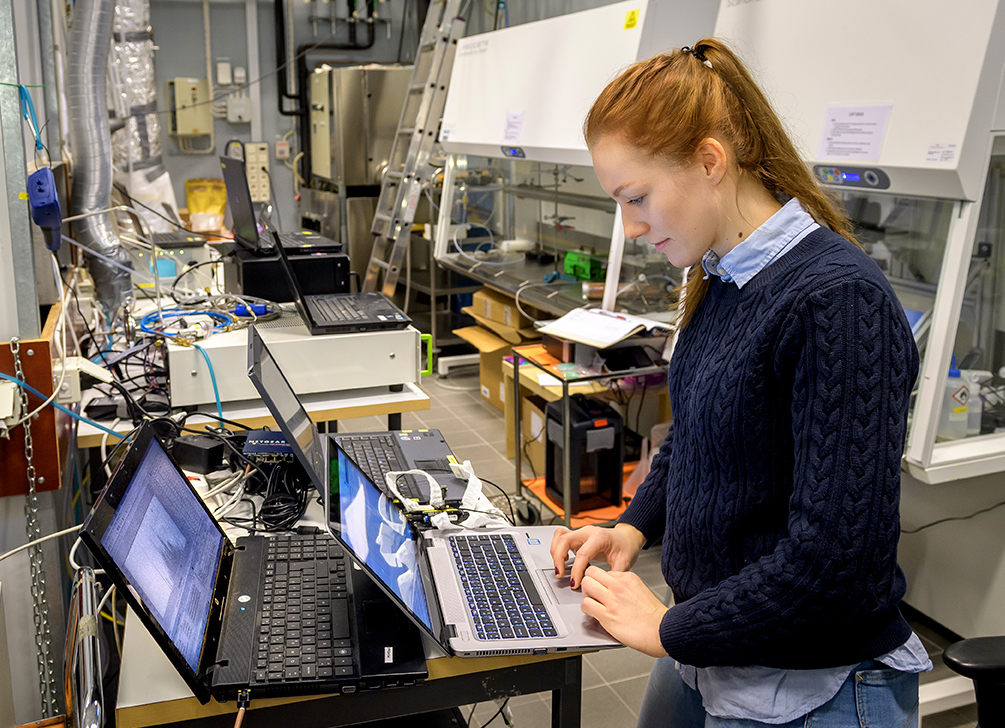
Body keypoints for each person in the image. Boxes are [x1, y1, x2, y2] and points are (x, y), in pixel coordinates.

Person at [550, 39, 931, 727]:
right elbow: (696, 437)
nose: (631, 227)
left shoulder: (836, 302)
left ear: (708, 161)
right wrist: (633, 529)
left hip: (812, 681)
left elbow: (831, 565)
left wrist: (667, 630)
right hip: (713, 647)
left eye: (636, 197)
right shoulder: (721, 278)